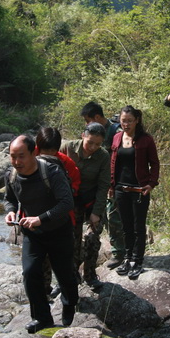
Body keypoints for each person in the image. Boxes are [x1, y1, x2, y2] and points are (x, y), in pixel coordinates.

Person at [4, 134, 79, 333]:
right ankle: (41, 318)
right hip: (33, 233)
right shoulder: (11, 174)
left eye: (21, 156)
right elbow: (10, 199)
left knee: (65, 275)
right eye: (13, 156)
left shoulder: (52, 172)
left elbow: (67, 203)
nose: (16, 162)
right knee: (30, 273)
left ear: (34, 153)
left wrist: (40, 218)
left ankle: (69, 304)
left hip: (59, 231)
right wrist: (10, 211)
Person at [109, 105, 160, 280]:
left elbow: (155, 163)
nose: (126, 124)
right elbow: (113, 163)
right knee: (126, 226)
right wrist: (111, 186)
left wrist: (151, 184)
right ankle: (127, 258)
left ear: (137, 120)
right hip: (120, 189)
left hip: (139, 189)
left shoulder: (146, 140)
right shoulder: (116, 137)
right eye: (123, 121)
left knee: (139, 227)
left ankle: (138, 261)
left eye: (130, 121)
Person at [61, 122, 111, 291]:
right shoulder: (68, 148)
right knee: (71, 241)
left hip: (92, 202)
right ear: (83, 136)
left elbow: (104, 186)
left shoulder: (103, 156)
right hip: (70, 203)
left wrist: (96, 212)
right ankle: (70, 277)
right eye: (90, 142)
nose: (93, 147)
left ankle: (90, 275)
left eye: (98, 144)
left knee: (91, 238)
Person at [35, 127, 81, 295]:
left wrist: (65, 190)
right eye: (44, 150)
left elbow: (76, 184)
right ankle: (45, 290)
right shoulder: (29, 158)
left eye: (52, 151)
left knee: (65, 258)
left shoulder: (66, 163)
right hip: (37, 218)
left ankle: (67, 289)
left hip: (62, 218)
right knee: (42, 261)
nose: (48, 154)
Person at [80, 101, 125, 268]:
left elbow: (122, 159)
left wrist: (114, 183)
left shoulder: (116, 132)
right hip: (98, 183)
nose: (87, 124)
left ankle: (119, 253)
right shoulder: (92, 133)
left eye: (88, 120)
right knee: (102, 220)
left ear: (97, 117)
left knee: (114, 218)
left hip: (114, 181)